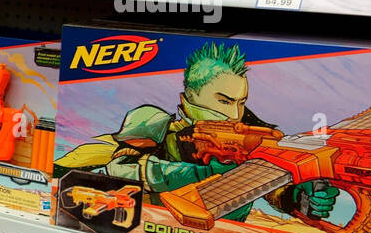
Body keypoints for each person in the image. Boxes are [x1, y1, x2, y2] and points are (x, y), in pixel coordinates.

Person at [56, 40, 337, 220]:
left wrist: (297, 198)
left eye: (241, 102)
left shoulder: (253, 133)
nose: (233, 113)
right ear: (189, 94)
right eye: (224, 101)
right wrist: (205, 173)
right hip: (154, 228)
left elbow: (270, 185)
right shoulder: (154, 122)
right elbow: (120, 170)